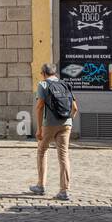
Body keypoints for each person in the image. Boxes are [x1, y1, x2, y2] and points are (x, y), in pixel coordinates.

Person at [28, 63, 77, 201]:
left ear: (43, 73)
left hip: (49, 124)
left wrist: (38, 128)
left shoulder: (43, 85)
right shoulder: (64, 84)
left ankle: (41, 185)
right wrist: (69, 121)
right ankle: (64, 191)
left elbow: (39, 107)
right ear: (55, 73)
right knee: (64, 156)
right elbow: (75, 107)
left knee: (42, 151)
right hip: (66, 124)